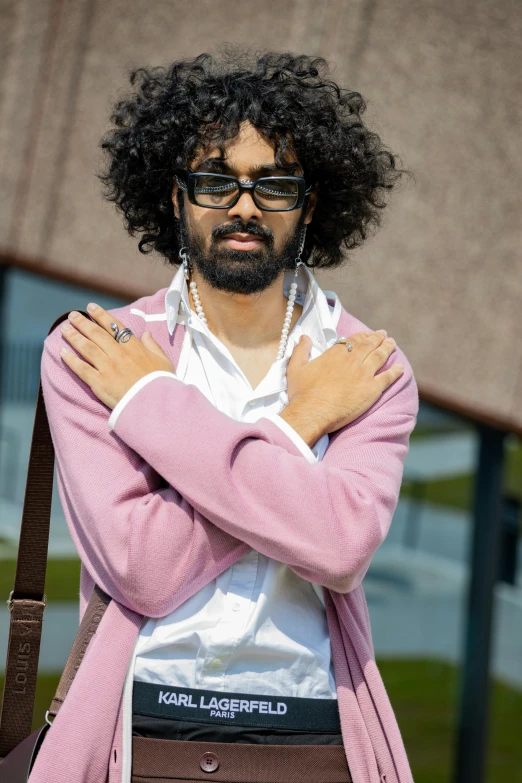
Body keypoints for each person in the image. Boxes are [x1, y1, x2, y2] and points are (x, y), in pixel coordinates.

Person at [32, 49, 419, 783]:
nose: (244, 205)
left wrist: (154, 413)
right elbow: (142, 568)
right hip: (138, 738)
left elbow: (339, 546)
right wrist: (301, 419)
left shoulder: (367, 370)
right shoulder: (98, 354)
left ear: (310, 202)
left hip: (315, 740)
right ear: (175, 197)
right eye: (216, 180)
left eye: (273, 184)